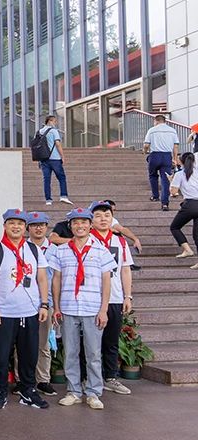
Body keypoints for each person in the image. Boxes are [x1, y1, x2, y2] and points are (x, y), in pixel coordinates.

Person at [47, 208, 116, 410]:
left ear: (90, 225)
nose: (80, 226)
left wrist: (103, 310)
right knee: (70, 352)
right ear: (70, 226)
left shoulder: (101, 250)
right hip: (68, 307)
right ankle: (74, 391)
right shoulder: (61, 250)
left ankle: (93, 393)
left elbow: (107, 281)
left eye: (84, 222)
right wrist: (56, 307)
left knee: (93, 354)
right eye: (76, 223)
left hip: (92, 308)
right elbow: (56, 280)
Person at [0, 209, 51, 410]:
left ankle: (28, 390)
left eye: (20, 224)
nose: (16, 227)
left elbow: (41, 278)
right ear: (5, 226)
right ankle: (0, 391)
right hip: (3, 313)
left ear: (25, 227)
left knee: (29, 354)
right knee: (1, 355)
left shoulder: (33, 249)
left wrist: (44, 304)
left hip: (30, 311)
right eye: (12, 223)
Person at [88, 200, 134, 396]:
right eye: (98, 216)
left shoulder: (120, 241)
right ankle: (88, 378)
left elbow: (125, 269)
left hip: (114, 297)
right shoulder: (86, 240)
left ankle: (110, 377)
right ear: (91, 220)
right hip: (90, 298)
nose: (103, 219)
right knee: (89, 342)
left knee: (111, 340)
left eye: (107, 215)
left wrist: (127, 296)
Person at [26, 211, 58, 396]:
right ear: (28, 228)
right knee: (23, 344)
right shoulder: (22, 248)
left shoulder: (54, 250)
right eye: (34, 225)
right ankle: (22, 379)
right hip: (26, 303)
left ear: (46, 227)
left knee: (44, 343)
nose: (38, 228)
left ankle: (43, 380)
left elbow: (57, 279)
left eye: (42, 225)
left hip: (47, 302)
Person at [144, 114, 180, 211]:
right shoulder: (172, 131)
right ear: (165, 121)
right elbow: (176, 146)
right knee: (165, 179)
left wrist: (145, 151)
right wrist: (175, 158)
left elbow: (146, 145)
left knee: (153, 175)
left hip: (154, 155)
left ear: (156, 121)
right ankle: (165, 204)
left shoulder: (152, 130)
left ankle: (155, 196)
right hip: (167, 156)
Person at [38, 115, 72, 206]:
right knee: (61, 177)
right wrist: (62, 156)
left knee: (46, 180)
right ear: (49, 121)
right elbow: (57, 144)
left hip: (43, 159)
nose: (55, 123)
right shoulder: (54, 131)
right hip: (55, 159)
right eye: (54, 121)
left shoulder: (39, 131)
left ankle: (48, 200)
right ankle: (63, 196)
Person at [170, 153, 198, 262]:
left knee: (175, 227)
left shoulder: (180, 174)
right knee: (196, 235)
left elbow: (174, 192)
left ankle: (187, 250)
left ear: (181, 161)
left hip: (190, 204)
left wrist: (171, 181)